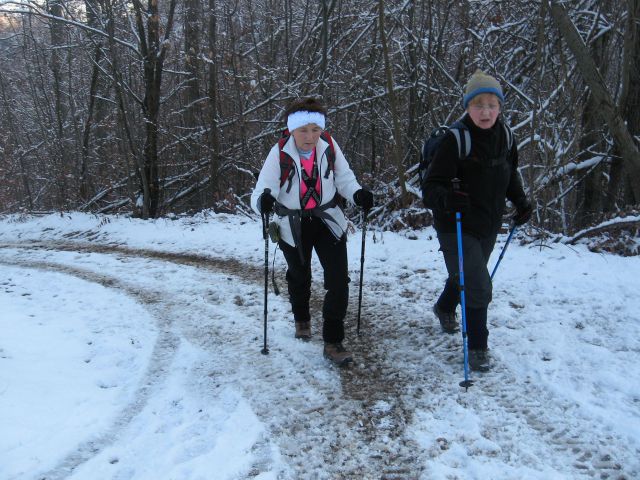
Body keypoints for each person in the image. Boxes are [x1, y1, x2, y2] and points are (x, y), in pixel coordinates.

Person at [422, 69, 533, 372]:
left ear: (500, 106)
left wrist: (520, 201)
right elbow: (430, 188)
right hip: (454, 224)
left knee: (467, 276)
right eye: (478, 104)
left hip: (488, 223)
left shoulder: (507, 137)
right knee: (478, 284)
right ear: (467, 106)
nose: (485, 111)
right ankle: (478, 347)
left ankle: (444, 306)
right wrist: (448, 199)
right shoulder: (454, 140)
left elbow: (509, 175)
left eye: (492, 104)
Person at [251, 97, 374, 366]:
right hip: (291, 223)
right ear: (292, 129)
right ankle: (302, 318)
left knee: (339, 280)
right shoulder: (280, 152)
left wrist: (357, 194)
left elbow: (344, 178)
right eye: (303, 130)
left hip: (327, 219)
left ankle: (333, 340)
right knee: (299, 275)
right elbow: (262, 189)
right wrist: (264, 201)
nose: (310, 137)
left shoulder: (328, 146)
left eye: (315, 130)